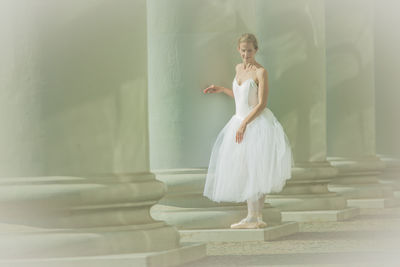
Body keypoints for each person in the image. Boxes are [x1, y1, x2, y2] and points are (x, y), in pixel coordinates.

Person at [202, 33, 293, 229]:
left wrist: (245, 124)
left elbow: (261, 104)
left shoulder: (261, 72)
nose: (246, 54)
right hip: (238, 122)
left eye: (249, 51)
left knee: (256, 168)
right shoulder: (238, 68)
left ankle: (255, 216)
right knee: (244, 168)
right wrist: (221, 89)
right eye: (243, 51)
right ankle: (254, 217)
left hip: (256, 124)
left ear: (256, 50)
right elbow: (240, 96)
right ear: (238, 50)